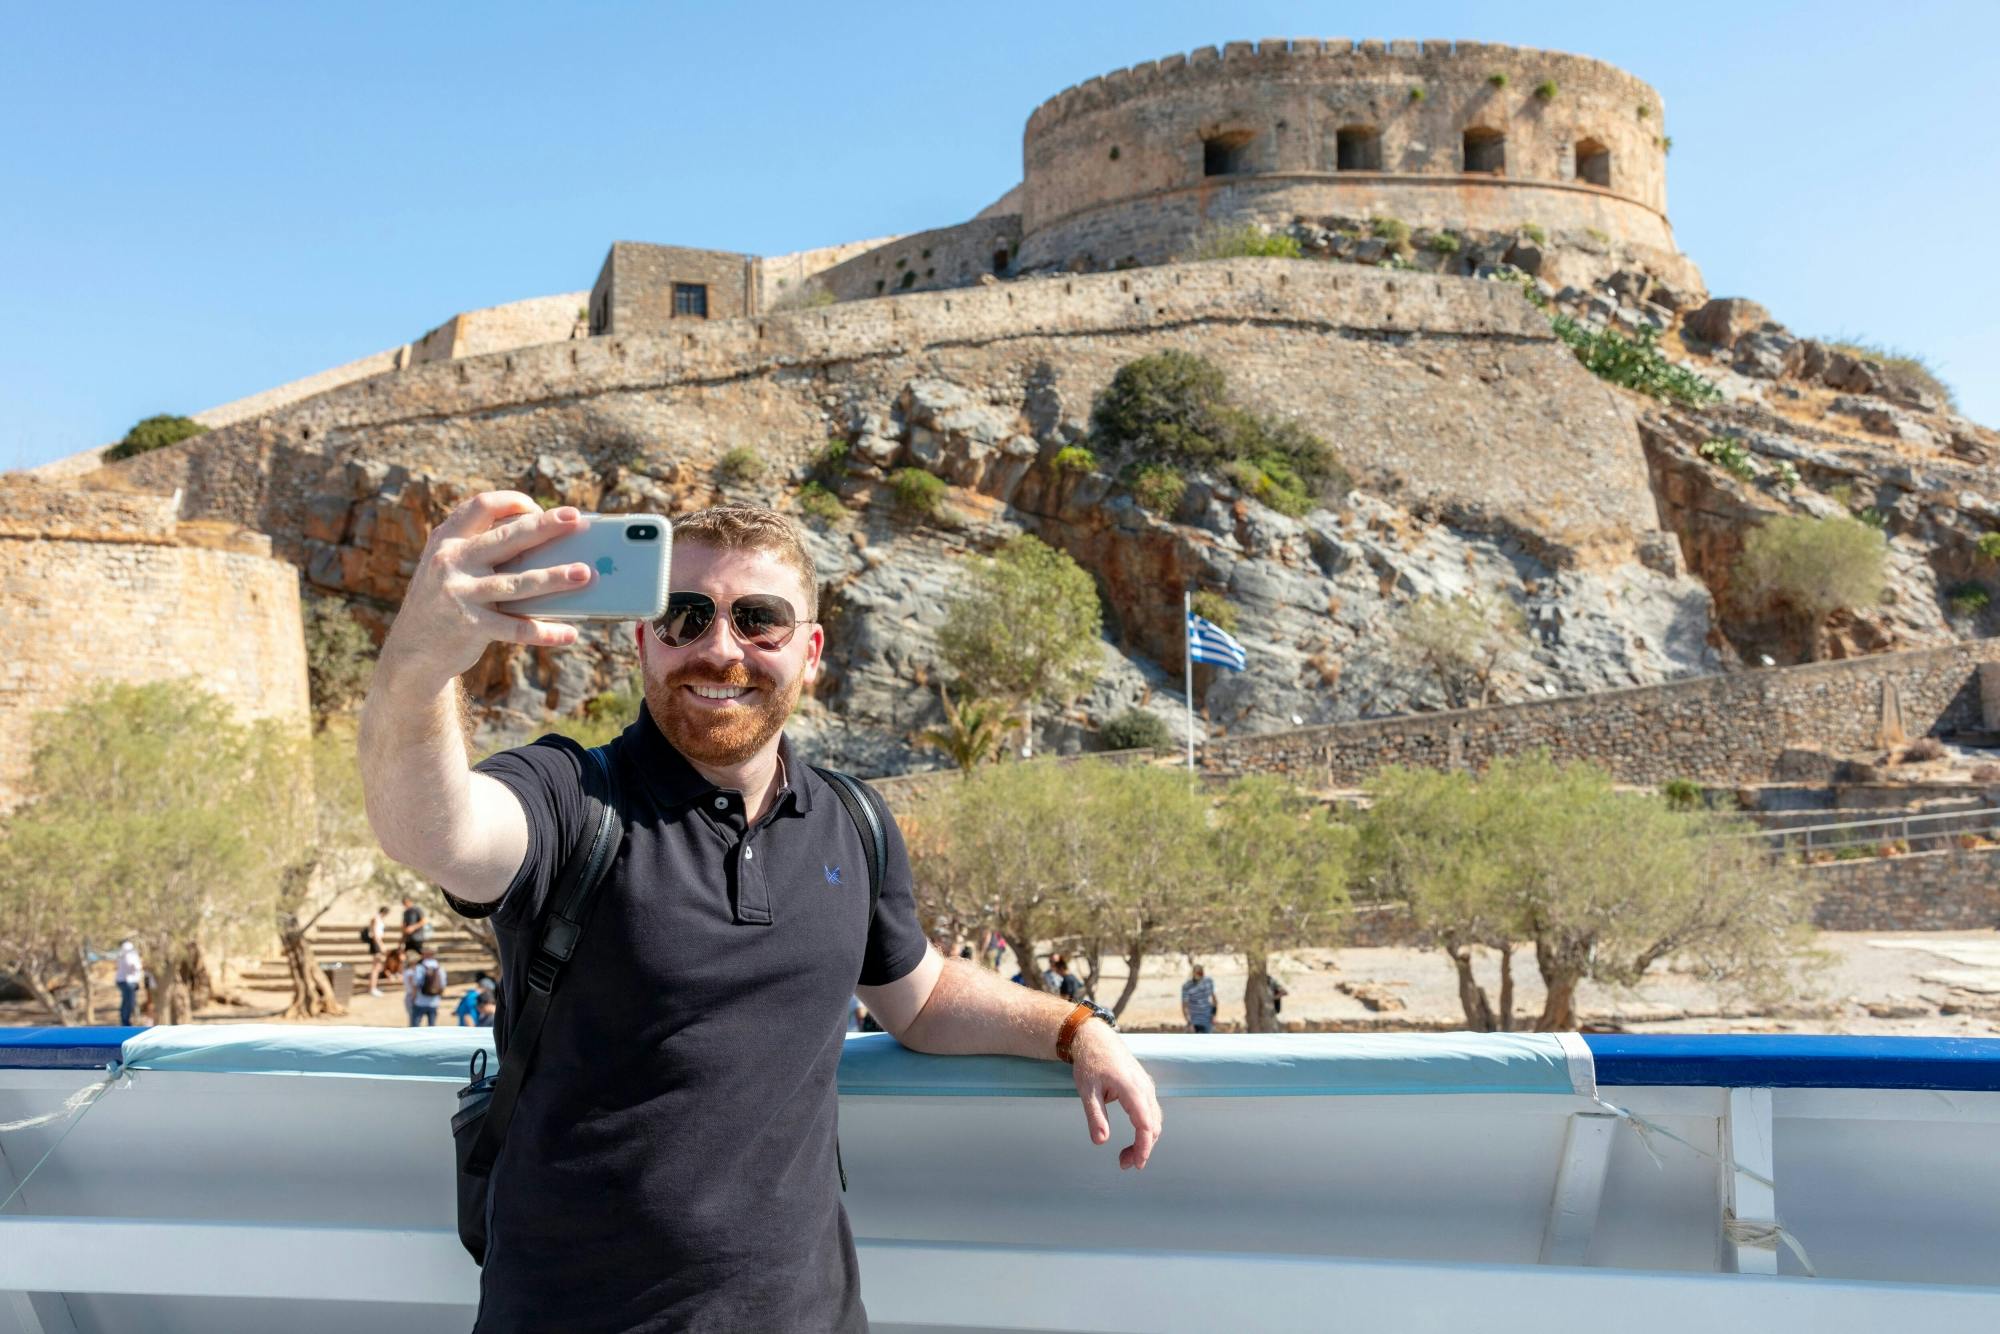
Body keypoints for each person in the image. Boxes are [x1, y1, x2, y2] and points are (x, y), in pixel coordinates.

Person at [359, 496, 1161, 1332]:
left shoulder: (852, 821)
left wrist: (1078, 1030)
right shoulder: (572, 798)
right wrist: (423, 662)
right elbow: (431, 829)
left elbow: (919, 997)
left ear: (809, 653)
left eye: (759, 620)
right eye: (685, 614)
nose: (719, 647)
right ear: (642, 638)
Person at [404, 945, 446, 1027]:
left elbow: (415, 984)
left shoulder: (420, 967)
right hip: (434, 1002)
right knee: (432, 1028)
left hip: (420, 1001)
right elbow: (443, 985)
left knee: (414, 1027)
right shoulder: (439, 968)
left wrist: (413, 998)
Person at [114, 940, 144, 1027]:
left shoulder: (123, 954)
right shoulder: (128, 953)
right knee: (129, 1002)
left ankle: (126, 1020)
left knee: (127, 1001)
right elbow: (132, 964)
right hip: (127, 981)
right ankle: (125, 1021)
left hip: (127, 981)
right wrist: (138, 966)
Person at [1181, 962, 1218, 1034]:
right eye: (1197, 973)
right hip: (1194, 1020)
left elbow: (1214, 999)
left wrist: (1214, 1015)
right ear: (1193, 973)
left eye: (1201, 973)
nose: (1199, 975)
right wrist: (1189, 1022)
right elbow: (1184, 1006)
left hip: (1207, 1019)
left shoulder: (1208, 982)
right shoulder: (1187, 986)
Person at [364, 905, 390, 996]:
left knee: (377, 967)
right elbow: (375, 934)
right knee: (376, 967)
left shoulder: (378, 919)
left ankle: (373, 987)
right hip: (376, 944)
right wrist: (381, 945)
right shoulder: (376, 919)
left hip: (378, 943)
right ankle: (372, 988)